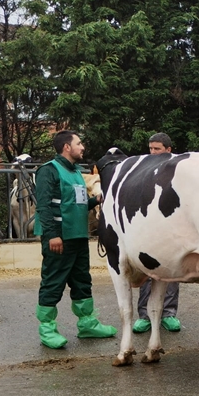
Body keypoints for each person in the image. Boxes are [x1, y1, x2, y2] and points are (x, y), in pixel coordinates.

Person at [33, 131, 117, 349]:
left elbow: (76, 203)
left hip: (78, 236)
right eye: (79, 143)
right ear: (66, 147)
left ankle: (87, 324)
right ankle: (47, 329)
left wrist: (95, 200)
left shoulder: (77, 172)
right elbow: (43, 206)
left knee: (82, 281)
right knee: (53, 281)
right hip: (60, 237)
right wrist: (52, 235)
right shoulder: (48, 170)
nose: (83, 147)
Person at [132, 132, 182, 333]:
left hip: (172, 228)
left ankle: (168, 313)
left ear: (168, 150)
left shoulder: (179, 169)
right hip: (148, 228)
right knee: (147, 271)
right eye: (150, 148)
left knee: (171, 271)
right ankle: (145, 315)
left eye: (157, 149)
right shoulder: (143, 170)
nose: (152, 153)